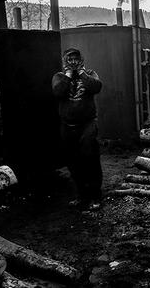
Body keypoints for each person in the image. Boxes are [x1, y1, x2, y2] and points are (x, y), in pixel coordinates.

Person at [52, 48, 103, 210]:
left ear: (81, 60)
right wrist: (68, 75)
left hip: (87, 124)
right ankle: (81, 194)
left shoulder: (90, 73)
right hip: (67, 125)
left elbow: (96, 87)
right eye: (70, 59)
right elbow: (58, 92)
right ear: (65, 60)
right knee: (73, 161)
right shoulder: (59, 77)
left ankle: (95, 195)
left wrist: (81, 73)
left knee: (90, 157)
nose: (73, 61)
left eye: (76, 59)